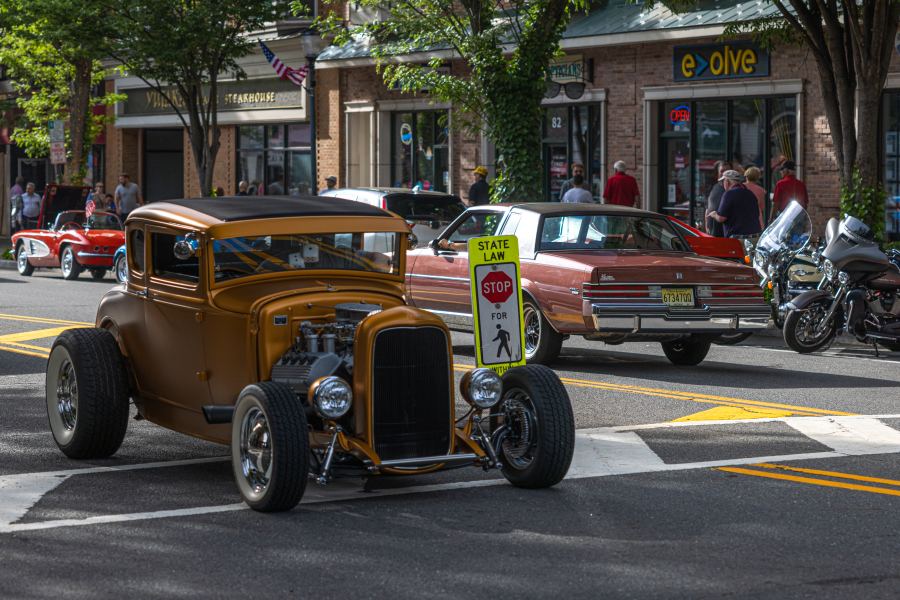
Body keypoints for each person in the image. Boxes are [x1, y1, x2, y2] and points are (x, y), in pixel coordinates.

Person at [708, 170, 763, 239]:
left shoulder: (729, 194)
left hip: (737, 238)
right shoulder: (750, 193)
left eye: (723, 182)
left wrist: (714, 214)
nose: (723, 184)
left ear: (727, 182)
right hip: (754, 237)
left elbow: (721, 218)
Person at [705, 160, 731, 237]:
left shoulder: (733, 190)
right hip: (712, 232)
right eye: (722, 171)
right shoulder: (713, 187)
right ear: (717, 173)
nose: (724, 173)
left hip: (725, 233)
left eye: (727, 171)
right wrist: (706, 225)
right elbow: (707, 208)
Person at [743, 166, 766, 231]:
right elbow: (762, 207)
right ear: (757, 177)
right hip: (757, 220)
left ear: (746, 175)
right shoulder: (762, 190)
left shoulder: (740, 187)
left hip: (742, 219)